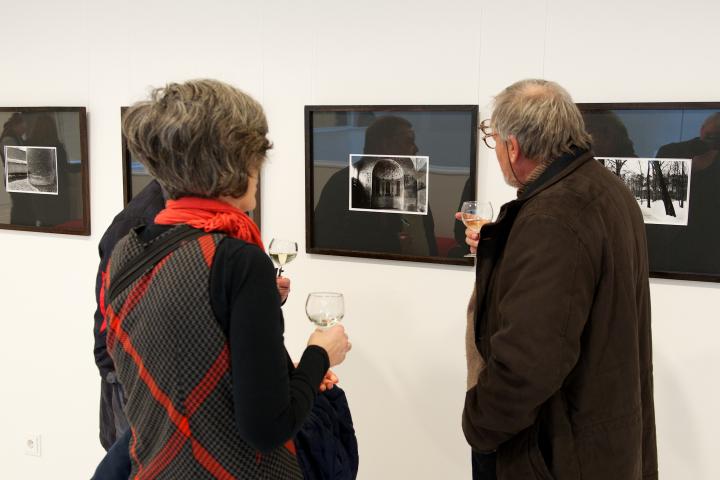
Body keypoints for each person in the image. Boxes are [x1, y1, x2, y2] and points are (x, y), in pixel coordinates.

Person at [101, 79, 351, 478]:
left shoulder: (128, 251)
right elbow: (269, 427)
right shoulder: (238, 260)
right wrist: (320, 354)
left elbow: (180, 356)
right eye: (256, 155)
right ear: (234, 164)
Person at [460, 79, 657, 479]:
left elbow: (528, 361)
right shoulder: (606, 189)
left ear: (513, 147)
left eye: (493, 139)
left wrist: (480, 425)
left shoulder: (553, 217)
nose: (496, 150)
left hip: (553, 453)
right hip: (598, 443)